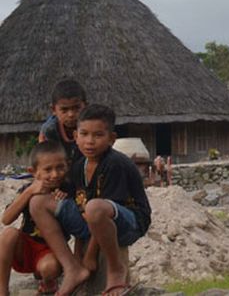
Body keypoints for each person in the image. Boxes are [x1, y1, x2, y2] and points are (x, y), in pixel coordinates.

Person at [30, 104, 151, 296]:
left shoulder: (114, 164)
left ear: (111, 139)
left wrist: (89, 256)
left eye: (98, 135)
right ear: (76, 136)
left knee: (95, 207)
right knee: (38, 203)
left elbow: (101, 211)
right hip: (93, 220)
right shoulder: (78, 167)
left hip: (129, 222)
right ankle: (71, 269)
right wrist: (78, 256)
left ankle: (116, 269)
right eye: (84, 134)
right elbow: (80, 207)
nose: (89, 141)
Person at [0, 141, 71, 296]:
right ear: (34, 172)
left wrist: (62, 205)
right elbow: (6, 219)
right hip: (26, 247)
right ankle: (2, 289)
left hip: (51, 250)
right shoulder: (27, 189)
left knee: (49, 268)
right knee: (8, 234)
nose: (55, 174)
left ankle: (46, 279)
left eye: (60, 167)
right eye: (48, 169)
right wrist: (30, 191)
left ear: (68, 165)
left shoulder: (67, 190)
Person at [38, 79, 87, 163]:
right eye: (64, 110)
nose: (71, 114)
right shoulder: (50, 130)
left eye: (76, 108)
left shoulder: (91, 125)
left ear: (85, 106)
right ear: (53, 110)